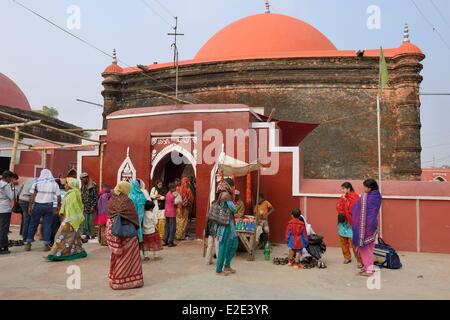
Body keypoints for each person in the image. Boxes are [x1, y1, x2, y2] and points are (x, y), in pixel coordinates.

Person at [106, 181, 144, 290]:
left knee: (118, 257)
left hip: (114, 232)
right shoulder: (127, 201)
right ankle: (128, 279)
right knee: (129, 257)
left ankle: (116, 279)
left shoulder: (112, 199)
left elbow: (110, 215)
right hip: (128, 234)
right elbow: (134, 216)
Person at [47, 178, 87, 261]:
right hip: (70, 218)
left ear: (71, 184)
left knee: (60, 236)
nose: (65, 185)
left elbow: (74, 208)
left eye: (66, 183)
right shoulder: (70, 193)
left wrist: (67, 218)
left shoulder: (74, 194)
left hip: (70, 219)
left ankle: (56, 254)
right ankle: (77, 251)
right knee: (73, 237)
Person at [25, 169, 61, 252]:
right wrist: (59, 207)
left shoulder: (37, 183)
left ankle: (28, 244)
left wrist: (30, 206)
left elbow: (32, 196)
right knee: (47, 225)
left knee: (33, 224)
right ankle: (46, 245)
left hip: (38, 206)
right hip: (49, 206)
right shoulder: (54, 184)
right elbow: (59, 197)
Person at [352, 179, 382, 277]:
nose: (364, 189)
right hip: (372, 225)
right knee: (370, 248)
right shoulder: (377, 196)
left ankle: (369, 270)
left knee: (365, 249)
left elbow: (357, 209)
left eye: (365, 187)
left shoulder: (366, 197)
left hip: (365, 227)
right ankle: (367, 267)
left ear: (370, 188)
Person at [209, 178, 239, 276]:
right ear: (231, 185)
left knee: (233, 243)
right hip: (224, 225)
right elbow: (233, 208)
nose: (234, 188)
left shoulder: (223, 192)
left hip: (229, 224)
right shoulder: (226, 194)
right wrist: (236, 205)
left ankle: (227, 266)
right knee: (223, 247)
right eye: (233, 186)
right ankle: (219, 270)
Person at [336, 182, 362, 267]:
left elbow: (354, 210)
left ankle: (359, 260)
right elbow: (338, 207)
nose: (342, 190)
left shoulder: (355, 197)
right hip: (343, 222)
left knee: (354, 242)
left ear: (349, 189)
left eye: (343, 188)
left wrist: (344, 201)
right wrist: (343, 200)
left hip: (352, 222)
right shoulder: (343, 197)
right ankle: (347, 257)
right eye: (342, 188)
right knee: (343, 240)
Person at [0, 171, 16, 254]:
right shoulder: (5, 185)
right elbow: (11, 196)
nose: (11, 179)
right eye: (10, 178)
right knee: (4, 228)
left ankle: (4, 245)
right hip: (5, 208)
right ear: (7, 177)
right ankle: (2, 246)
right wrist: (13, 188)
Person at [80, 172, 98, 240]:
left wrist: (93, 206)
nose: (81, 181)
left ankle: (92, 235)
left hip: (91, 207)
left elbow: (96, 197)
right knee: (85, 222)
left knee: (91, 222)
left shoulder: (93, 185)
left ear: (86, 178)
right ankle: (87, 234)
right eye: (81, 179)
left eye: (82, 179)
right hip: (85, 206)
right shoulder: (83, 185)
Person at [128, 180, 147, 244]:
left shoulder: (130, 195)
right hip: (139, 216)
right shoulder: (141, 195)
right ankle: (139, 239)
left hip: (131, 217)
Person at [18, 178, 36, 242]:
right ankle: (26, 237)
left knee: (25, 218)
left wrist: (19, 196)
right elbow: (33, 194)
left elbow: (21, 188)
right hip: (27, 200)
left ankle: (24, 235)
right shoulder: (37, 183)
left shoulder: (28, 180)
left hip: (21, 199)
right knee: (28, 219)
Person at [175, 177, 193, 241]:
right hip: (185, 209)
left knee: (178, 221)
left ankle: (177, 235)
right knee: (184, 221)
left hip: (178, 208)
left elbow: (174, 197)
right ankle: (182, 236)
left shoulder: (177, 189)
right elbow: (190, 199)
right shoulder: (188, 190)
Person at [163, 183, 179, 247]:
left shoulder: (167, 194)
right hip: (172, 212)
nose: (175, 189)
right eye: (174, 188)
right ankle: (170, 242)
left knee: (167, 227)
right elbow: (176, 202)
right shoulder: (173, 195)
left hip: (167, 212)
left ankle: (165, 240)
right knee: (172, 227)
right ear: (172, 188)